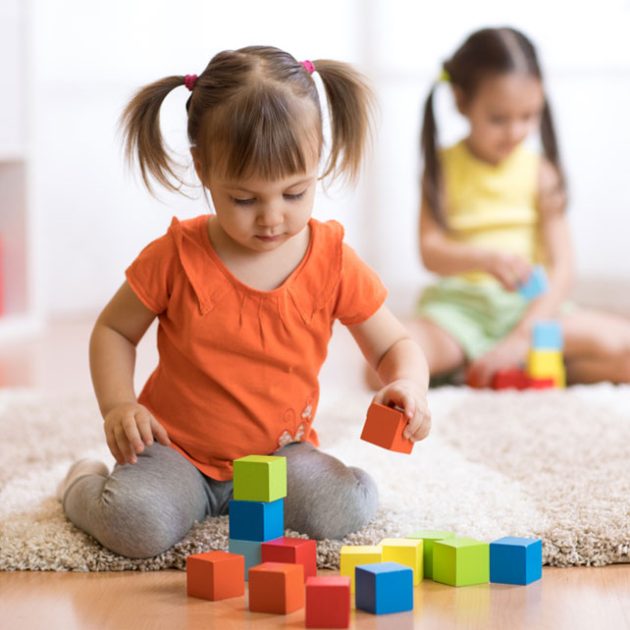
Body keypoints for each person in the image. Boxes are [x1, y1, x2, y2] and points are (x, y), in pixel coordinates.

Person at [56, 46, 431, 559]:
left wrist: (407, 383)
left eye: (295, 193)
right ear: (204, 168)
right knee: (133, 525)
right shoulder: (176, 256)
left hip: (281, 457)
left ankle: (302, 490)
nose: (272, 218)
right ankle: (80, 482)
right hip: (178, 454)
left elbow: (395, 344)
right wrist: (118, 406)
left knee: (340, 510)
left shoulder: (332, 260)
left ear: (317, 157)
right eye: (245, 199)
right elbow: (114, 331)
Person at [410, 27, 630, 387]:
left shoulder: (541, 172)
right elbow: (430, 251)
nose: (515, 131)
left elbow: (562, 268)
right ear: (462, 102)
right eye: (499, 119)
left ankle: (516, 365)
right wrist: (485, 260)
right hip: (459, 313)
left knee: (624, 351)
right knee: (386, 362)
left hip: (533, 314)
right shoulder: (441, 168)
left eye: (528, 116)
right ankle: (486, 360)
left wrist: (523, 336)